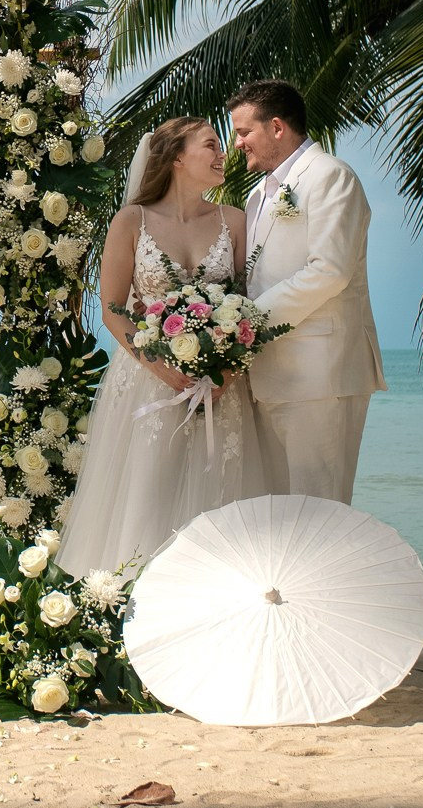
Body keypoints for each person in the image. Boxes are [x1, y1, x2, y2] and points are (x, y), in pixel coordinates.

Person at [57, 116, 262, 575]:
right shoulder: (132, 221)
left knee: (217, 496)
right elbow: (113, 309)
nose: (222, 154)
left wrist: (225, 373)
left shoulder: (235, 221)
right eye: (211, 145)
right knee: (147, 497)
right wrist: (161, 369)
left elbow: (249, 309)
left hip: (219, 387)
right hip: (146, 381)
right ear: (176, 157)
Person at [226, 79, 385, 504]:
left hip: (321, 374)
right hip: (269, 376)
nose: (236, 143)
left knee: (320, 513)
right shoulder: (258, 195)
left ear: (277, 127)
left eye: (244, 132)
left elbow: (329, 271)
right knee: (279, 518)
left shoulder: (331, 177)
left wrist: (247, 322)